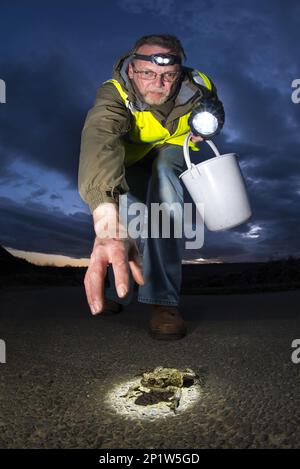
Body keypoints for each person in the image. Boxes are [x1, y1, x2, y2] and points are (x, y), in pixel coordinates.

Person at [78, 34, 224, 340]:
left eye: (168, 75)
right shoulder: (114, 92)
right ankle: (119, 292)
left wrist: (212, 122)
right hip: (131, 155)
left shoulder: (198, 85)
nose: (158, 83)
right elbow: (100, 138)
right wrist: (104, 211)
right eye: (147, 73)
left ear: (178, 73)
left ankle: (161, 301)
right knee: (127, 209)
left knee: (164, 196)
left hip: (171, 149)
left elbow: (215, 109)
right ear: (132, 70)